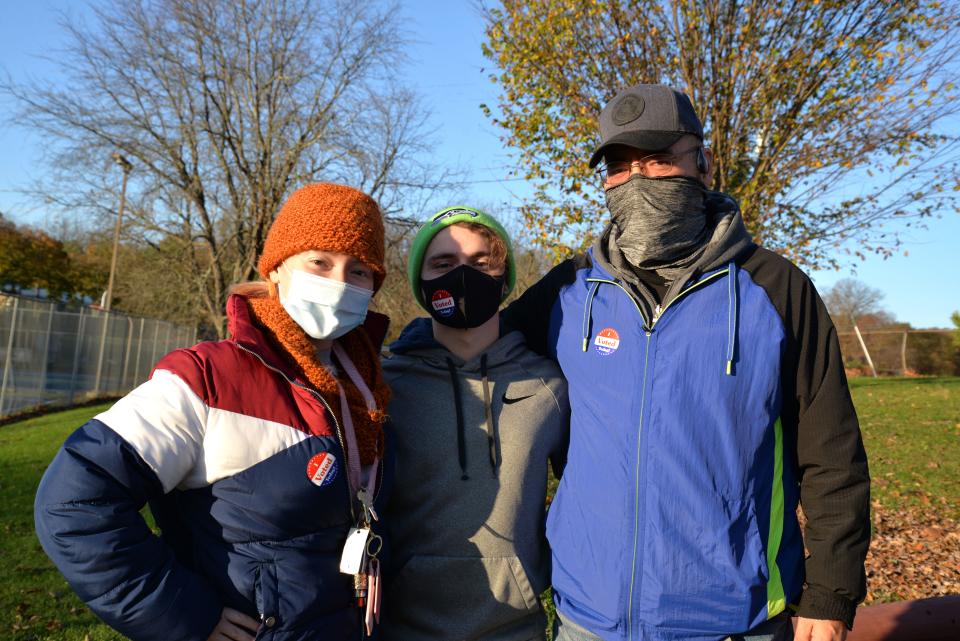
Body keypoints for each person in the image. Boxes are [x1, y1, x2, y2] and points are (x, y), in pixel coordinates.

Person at [503, 85, 870, 641]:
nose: (638, 179)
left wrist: (832, 593)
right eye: (620, 166)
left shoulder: (775, 289)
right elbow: (475, 346)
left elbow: (833, 454)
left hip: (734, 619)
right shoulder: (569, 290)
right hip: (587, 620)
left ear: (702, 163)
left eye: (657, 159)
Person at [34, 183, 393, 641]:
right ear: (278, 269)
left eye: (359, 271)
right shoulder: (207, 376)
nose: (339, 283)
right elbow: (73, 501)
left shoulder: (368, 390)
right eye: (319, 262)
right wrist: (183, 614)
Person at [380, 207, 569, 641]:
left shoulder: (550, 385)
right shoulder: (384, 384)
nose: (462, 276)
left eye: (482, 263)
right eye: (443, 265)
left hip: (514, 627)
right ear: (420, 283)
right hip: (401, 627)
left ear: (504, 279)